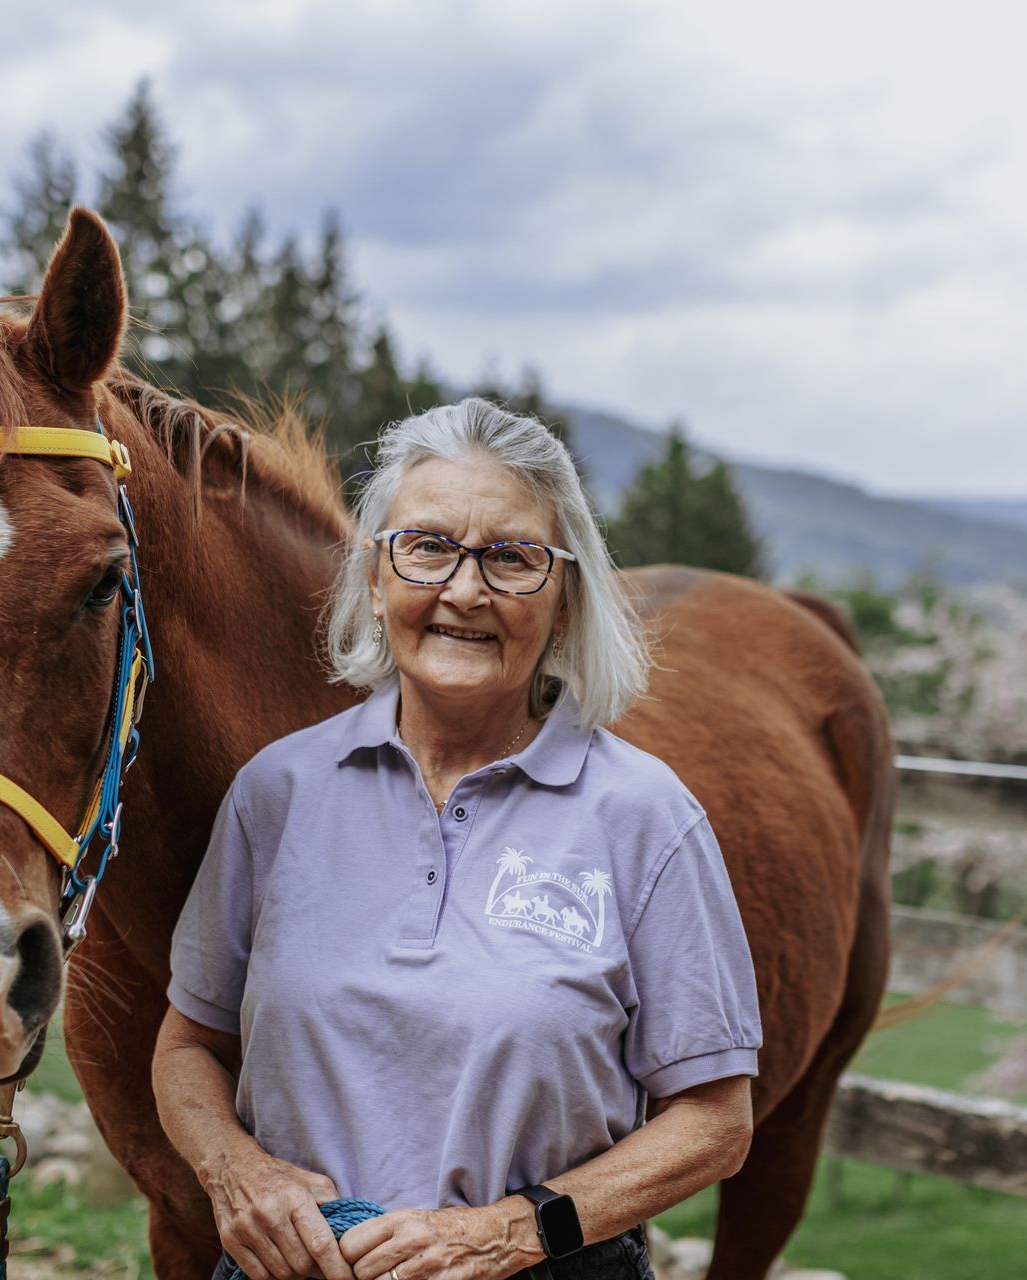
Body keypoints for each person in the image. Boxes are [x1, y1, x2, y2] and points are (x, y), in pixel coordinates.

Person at [152, 399, 761, 1280]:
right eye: (429, 547)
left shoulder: (645, 817)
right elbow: (187, 1047)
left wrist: (508, 1233)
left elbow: (716, 1122)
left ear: (565, 599)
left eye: (512, 558)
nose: (465, 590)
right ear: (374, 578)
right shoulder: (276, 793)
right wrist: (236, 1171)